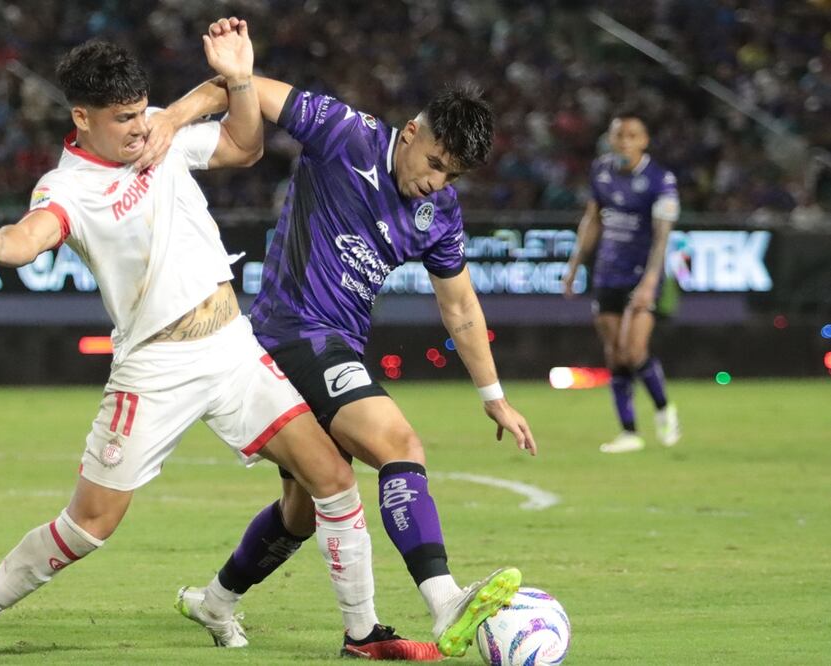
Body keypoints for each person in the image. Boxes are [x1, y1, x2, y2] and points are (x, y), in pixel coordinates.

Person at [0, 20, 437, 663]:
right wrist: (2, 245)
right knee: (89, 526)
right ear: (81, 118)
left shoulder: (158, 136)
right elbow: (36, 233)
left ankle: (363, 635)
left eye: (141, 111)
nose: (138, 128)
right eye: (122, 119)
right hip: (155, 368)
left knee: (332, 478)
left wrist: (240, 80)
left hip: (233, 349)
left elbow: (242, 146)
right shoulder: (67, 186)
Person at [143, 22, 538, 660]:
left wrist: (494, 395)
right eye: (436, 163)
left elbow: (460, 305)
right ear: (412, 131)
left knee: (301, 510)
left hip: (335, 346)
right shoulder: (346, 132)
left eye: (453, 175)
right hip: (291, 332)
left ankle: (215, 601)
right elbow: (240, 86)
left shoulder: (439, 214)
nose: (437, 182)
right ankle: (444, 599)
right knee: (399, 444)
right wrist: (170, 119)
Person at [562, 111, 682, 453]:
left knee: (633, 350)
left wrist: (650, 281)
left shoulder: (660, 179)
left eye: (632, 136)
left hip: (641, 274)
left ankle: (664, 409)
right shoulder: (601, 171)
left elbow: (662, 236)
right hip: (607, 272)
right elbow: (593, 219)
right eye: (619, 135)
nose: (625, 142)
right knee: (615, 354)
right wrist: (574, 266)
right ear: (611, 140)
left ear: (644, 141)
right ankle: (629, 432)